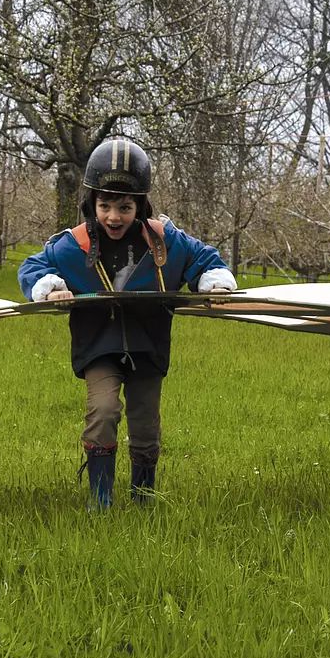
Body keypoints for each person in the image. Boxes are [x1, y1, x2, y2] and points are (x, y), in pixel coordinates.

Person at [18, 138, 237, 509]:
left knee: (145, 426)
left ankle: (143, 498)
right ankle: (100, 501)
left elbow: (206, 259)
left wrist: (214, 282)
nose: (114, 217)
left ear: (140, 206)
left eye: (124, 207)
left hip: (147, 348)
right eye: (105, 206)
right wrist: (49, 288)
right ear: (92, 205)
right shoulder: (74, 244)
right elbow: (32, 267)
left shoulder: (165, 241)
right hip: (99, 348)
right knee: (102, 412)